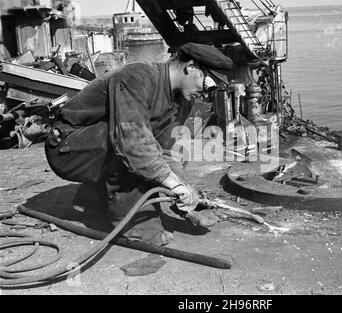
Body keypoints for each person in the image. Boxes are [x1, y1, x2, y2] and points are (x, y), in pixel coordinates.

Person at [45, 43, 234, 246]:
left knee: (152, 154)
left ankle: (92, 196)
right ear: (191, 67)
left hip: (97, 148)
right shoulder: (139, 76)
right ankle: (137, 224)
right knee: (133, 147)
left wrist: (187, 202)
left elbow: (169, 153)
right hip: (67, 148)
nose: (207, 94)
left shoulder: (181, 100)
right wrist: (169, 183)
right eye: (208, 85)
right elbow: (132, 142)